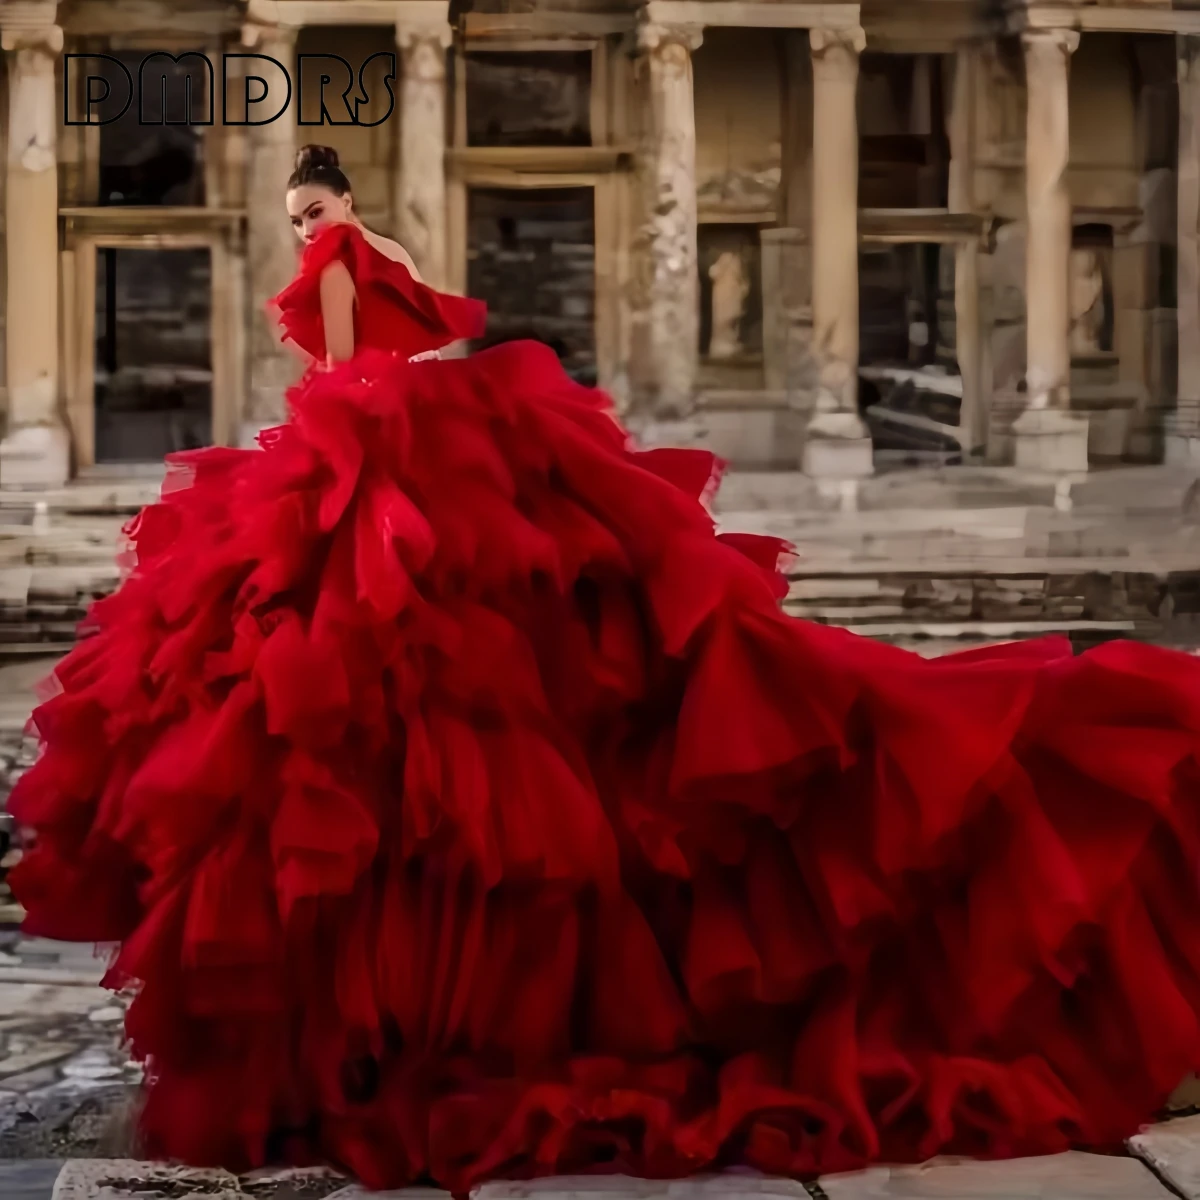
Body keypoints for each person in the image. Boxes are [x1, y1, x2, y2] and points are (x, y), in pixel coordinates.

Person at [9, 144, 1200, 1194]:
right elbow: (437, 335)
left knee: (359, 707)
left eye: (306, 209)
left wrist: (314, 455)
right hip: (436, 447)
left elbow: (339, 377)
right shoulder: (393, 243)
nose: (302, 228)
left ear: (327, 199)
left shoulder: (334, 257)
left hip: (372, 457)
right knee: (458, 714)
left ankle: (406, 1013)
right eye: (297, 216)